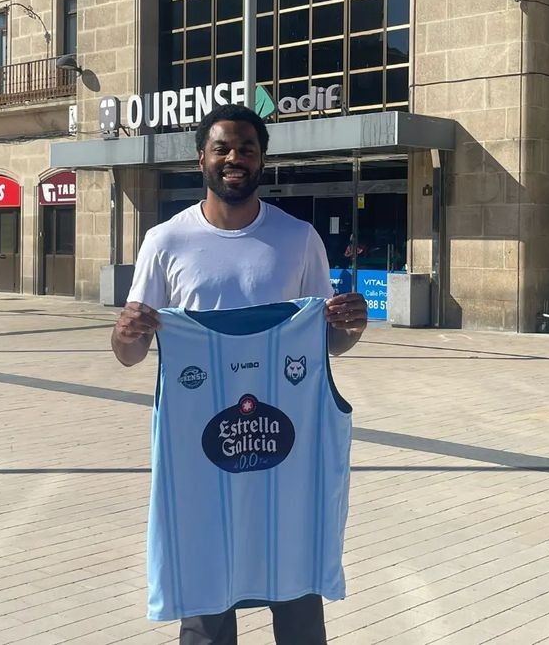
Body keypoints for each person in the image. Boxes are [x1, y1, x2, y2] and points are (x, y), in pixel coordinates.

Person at [113, 103, 368, 645]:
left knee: (298, 605)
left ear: (262, 160)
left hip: (287, 469)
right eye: (222, 148)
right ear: (200, 158)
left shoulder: (298, 238)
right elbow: (129, 354)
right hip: (201, 468)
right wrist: (126, 331)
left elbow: (326, 343)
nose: (235, 158)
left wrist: (350, 326)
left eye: (247, 149)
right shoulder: (165, 241)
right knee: (206, 609)